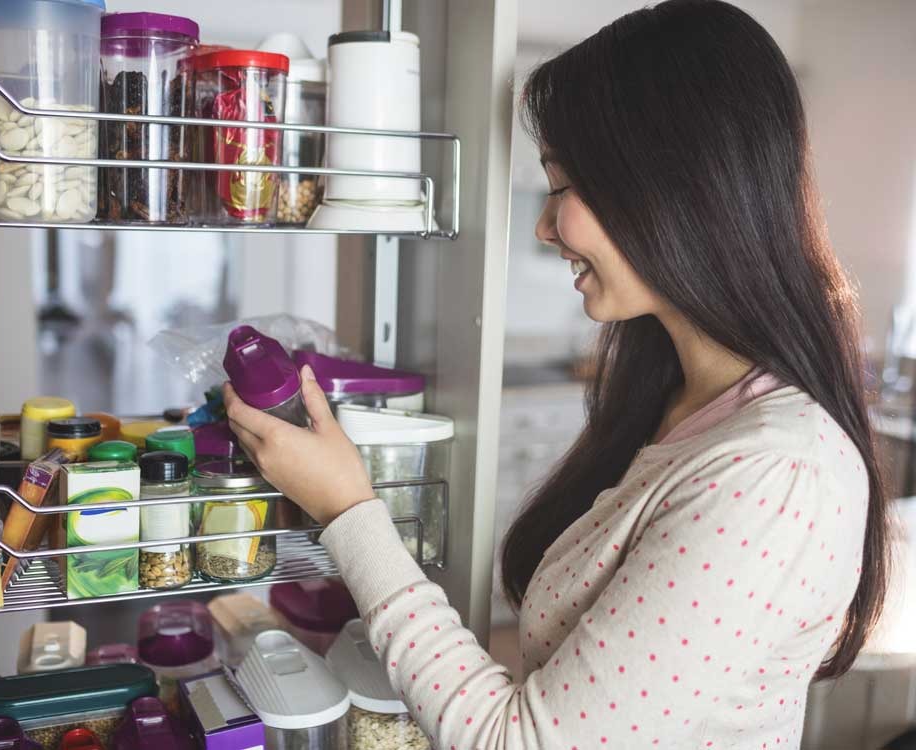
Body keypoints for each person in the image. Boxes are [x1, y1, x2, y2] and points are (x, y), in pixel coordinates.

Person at [222, 0, 889, 746]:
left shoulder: (777, 476)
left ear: (673, 187)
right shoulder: (680, 398)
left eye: (563, 187)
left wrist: (349, 510)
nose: (544, 227)